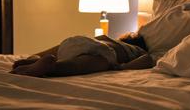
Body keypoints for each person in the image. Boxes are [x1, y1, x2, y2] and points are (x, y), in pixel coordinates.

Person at [10, 33, 155, 77]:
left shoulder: (106, 37)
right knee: (77, 65)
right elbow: (147, 60)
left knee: (53, 51)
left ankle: (32, 60)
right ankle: (52, 68)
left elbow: (93, 40)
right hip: (103, 52)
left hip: (78, 40)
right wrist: (123, 67)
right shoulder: (136, 50)